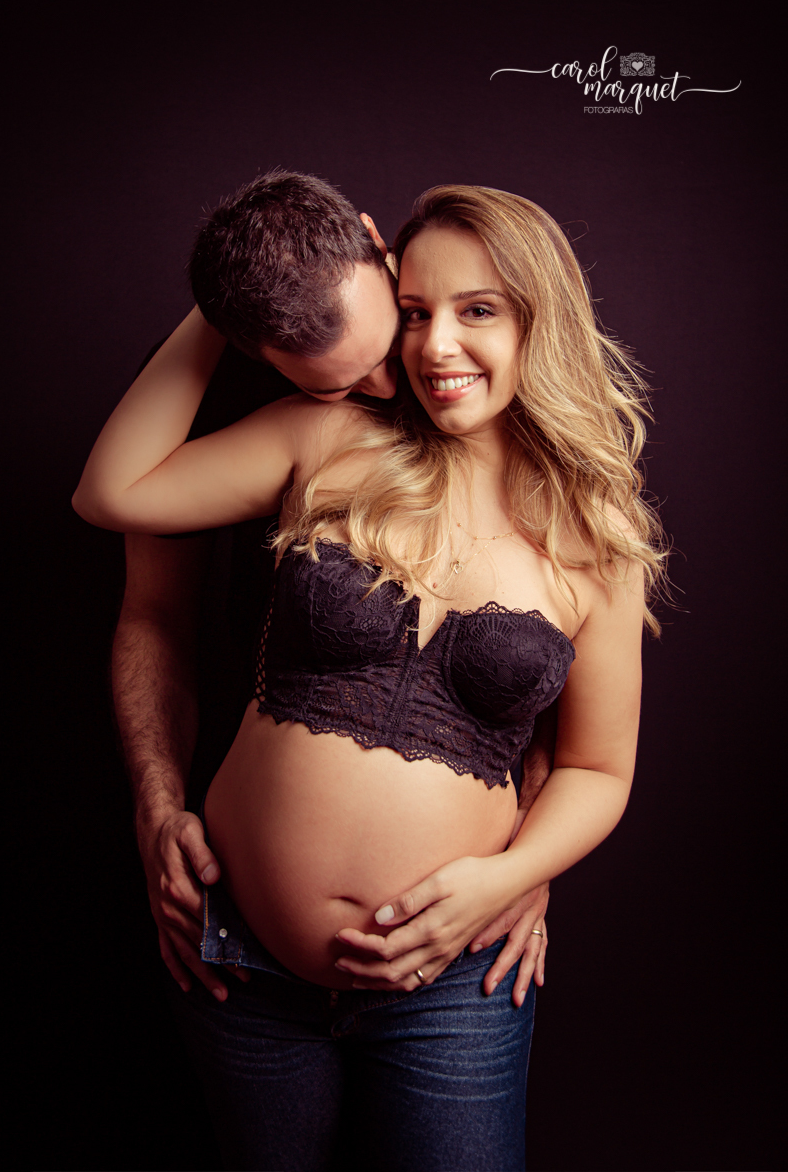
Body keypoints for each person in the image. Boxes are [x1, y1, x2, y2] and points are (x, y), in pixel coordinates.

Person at [74, 183, 664, 1170]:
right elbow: (113, 490)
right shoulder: (326, 437)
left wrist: (508, 877)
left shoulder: (594, 543)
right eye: (417, 311)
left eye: (476, 310)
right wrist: (241, 286)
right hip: (236, 960)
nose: (435, 347)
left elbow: (597, 771)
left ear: (537, 316)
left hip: (450, 979)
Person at [117, 171, 551, 1015]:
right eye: (340, 383)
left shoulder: (450, 358)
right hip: (240, 887)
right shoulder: (196, 401)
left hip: (455, 942)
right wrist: (155, 807)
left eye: (393, 343)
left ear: (376, 244)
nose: (398, 384)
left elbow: (536, 641)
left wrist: (527, 860)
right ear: (254, 348)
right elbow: (153, 618)